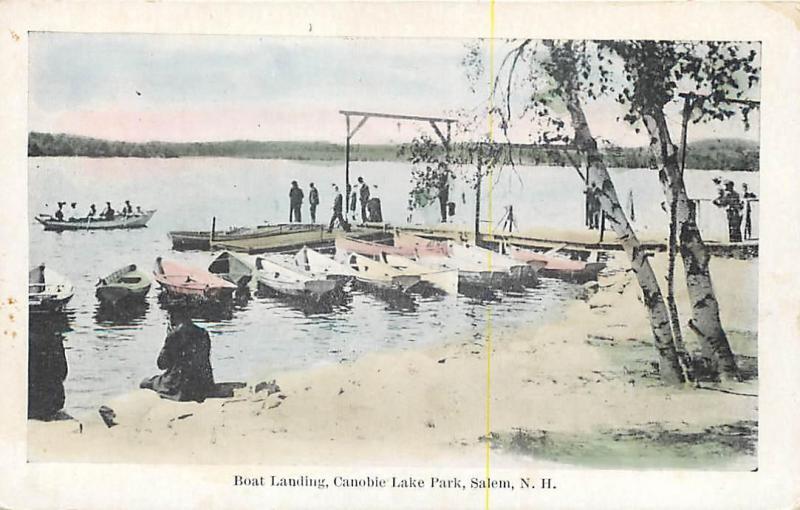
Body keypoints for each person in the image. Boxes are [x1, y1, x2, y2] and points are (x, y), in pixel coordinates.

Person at [140, 309, 215, 402]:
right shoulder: (203, 333)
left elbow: (162, 364)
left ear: (173, 317)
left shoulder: (175, 334)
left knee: (146, 382)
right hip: (204, 383)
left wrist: (168, 338)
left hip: (180, 385)